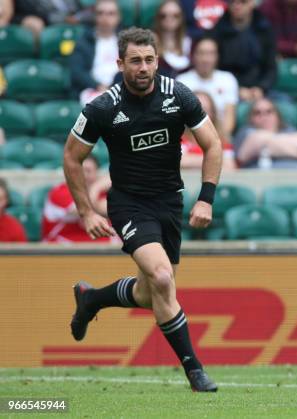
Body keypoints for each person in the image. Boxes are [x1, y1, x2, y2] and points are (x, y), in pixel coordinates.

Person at [64, 28, 222, 392]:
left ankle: (91, 299)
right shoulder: (103, 107)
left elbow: (213, 145)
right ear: (120, 64)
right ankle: (195, 371)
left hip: (170, 202)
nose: (143, 67)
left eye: (149, 60)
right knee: (163, 279)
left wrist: (206, 198)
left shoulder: (178, 95)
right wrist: (87, 211)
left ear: (158, 60)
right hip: (128, 204)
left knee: (151, 293)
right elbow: (72, 157)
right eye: (135, 60)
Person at [212, 0, 277, 101]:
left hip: (261, 89)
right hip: (228, 88)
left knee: (284, 103)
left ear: (252, 3)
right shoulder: (217, 32)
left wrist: (261, 88)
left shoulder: (265, 29)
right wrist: (237, 88)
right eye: (232, 2)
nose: (237, 5)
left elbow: (271, 67)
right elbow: (217, 69)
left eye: (243, 1)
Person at [177, 36, 238, 139]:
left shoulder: (228, 79)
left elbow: (230, 119)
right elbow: (179, 119)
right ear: (194, 56)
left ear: (217, 56)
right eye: (201, 53)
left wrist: (216, 141)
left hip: (220, 136)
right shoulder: (181, 81)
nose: (205, 59)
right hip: (189, 138)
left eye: (210, 53)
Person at [42, 156, 112, 243]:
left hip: (96, 245)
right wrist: (97, 187)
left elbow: (108, 209)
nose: (84, 175)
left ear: (96, 174)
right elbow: (80, 209)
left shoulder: (102, 193)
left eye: (88, 171)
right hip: (60, 246)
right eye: (80, 170)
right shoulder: (61, 191)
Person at [234, 97, 297, 168]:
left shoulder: (289, 130)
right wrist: (296, 149)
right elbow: (256, 141)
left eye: (269, 112)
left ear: (277, 115)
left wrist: (266, 145)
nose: (264, 117)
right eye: (257, 113)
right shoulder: (245, 132)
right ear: (251, 118)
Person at [69, 0, 120, 105]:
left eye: (111, 13)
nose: (105, 18)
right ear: (94, 16)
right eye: (100, 13)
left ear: (118, 17)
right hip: (93, 91)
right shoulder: (83, 41)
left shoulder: (125, 41)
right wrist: (97, 85)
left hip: (120, 89)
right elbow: (77, 72)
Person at [181, 90, 237, 170]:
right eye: (194, 110)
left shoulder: (222, 141)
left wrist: (191, 160)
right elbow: (177, 161)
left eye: (204, 110)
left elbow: (230, 167)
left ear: (213, 113)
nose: (198, 115)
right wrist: (214, 160)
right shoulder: (177, 137)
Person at [11, 0, 93, 40]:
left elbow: (78, 7)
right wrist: (65, 19)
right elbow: (42, 14)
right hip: (51, 26)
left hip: (78, 22)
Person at [152, 0, 192, 77]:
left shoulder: (190, 42)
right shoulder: (151, 42)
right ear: (158, 18)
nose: (169, 19)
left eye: (175, 15)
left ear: (181, 17)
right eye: (163, 16)